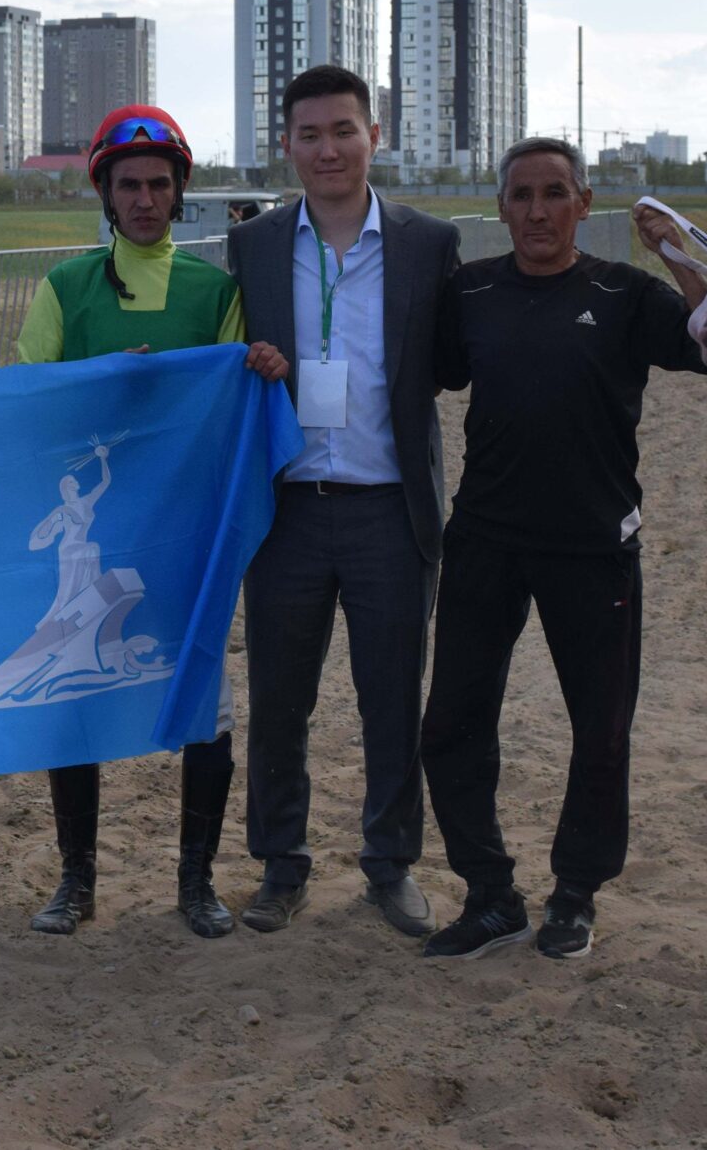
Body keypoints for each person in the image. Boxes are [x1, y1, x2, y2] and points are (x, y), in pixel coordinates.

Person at [417, 139, 707, 961]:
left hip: (592, 545)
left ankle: (575, 894)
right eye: (521, 195)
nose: (538, 211)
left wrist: (676, 252)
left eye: (555, 193)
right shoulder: (470, 290)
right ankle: (490, 895)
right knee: (450, 725)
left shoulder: (624, 292)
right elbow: (425, 375)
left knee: (601, 728)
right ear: (501, 207)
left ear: (584, 203)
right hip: (485, 539)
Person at [12, 103, 275, 939]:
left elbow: (236, 410)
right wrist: (99, 382)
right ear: (106, 191)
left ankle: (196, 882)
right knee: (74, 700)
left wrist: (261, 366)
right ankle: (76, 880)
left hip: (186, 532)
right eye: (128, 184)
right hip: (92, 537)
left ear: (179, 190)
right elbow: (26, 396)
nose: (145, 199)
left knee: (204, 702)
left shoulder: (216, 292)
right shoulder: (65, 287)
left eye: (160, 184)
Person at [228, 64, 460, 939]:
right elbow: (226, 358)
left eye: (344, 130)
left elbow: (453, 360)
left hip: (388, 510)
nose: (328, 149)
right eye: (310, 134)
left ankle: (390, 864)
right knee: (279, 700)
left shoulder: (428, 242)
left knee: (391, 699)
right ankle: (280, 863)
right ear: (287, 144)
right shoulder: (253, 244)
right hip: (285, 508)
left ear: (375, 136)